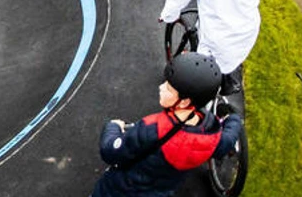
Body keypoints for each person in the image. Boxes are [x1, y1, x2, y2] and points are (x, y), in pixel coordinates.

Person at [92, 53, 244, 196]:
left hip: (121, 189)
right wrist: (234, 119)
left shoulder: (152, 128)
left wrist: (113, 127)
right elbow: (226, 141)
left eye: (169, 89)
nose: (161, 87)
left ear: (184, 101)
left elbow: (110, 152)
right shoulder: (211, 134)